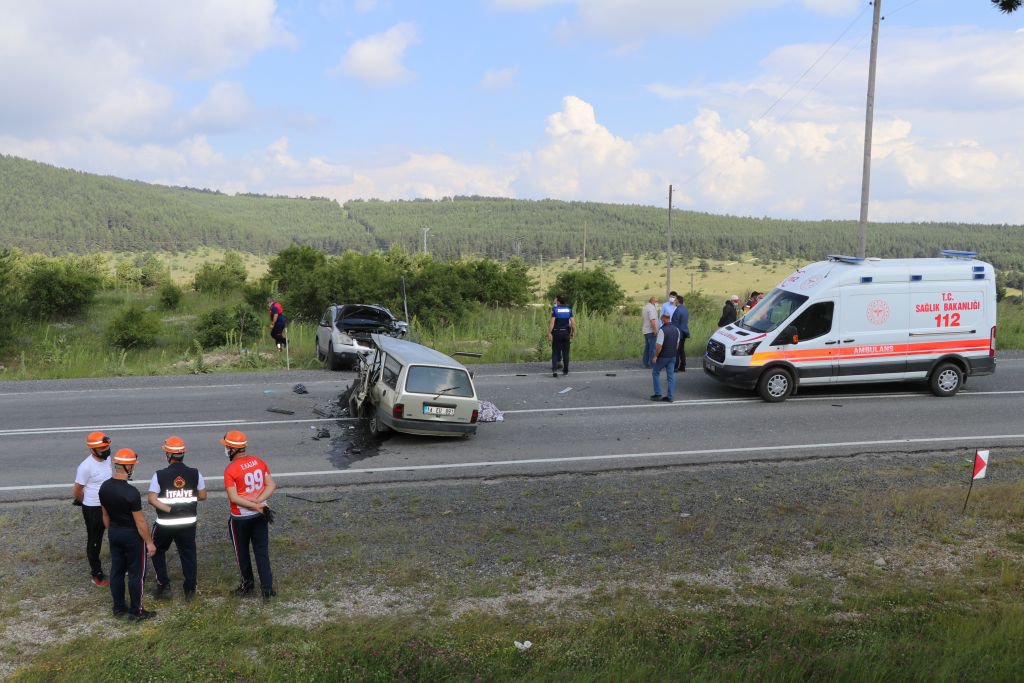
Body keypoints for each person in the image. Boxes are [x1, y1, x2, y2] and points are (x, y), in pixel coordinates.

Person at [99, 448, 157, 621]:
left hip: (114, 533)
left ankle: (118, 608)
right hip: (131, 536)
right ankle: (137, 610)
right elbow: (140, 522)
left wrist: (112, 531)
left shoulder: (104, 487)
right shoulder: (131, 492)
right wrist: (149, 542)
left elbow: (105, 515)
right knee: (135, 574)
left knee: (116, 571)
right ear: (128, 467)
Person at [148, 436, 207, 602]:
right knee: (188, 554)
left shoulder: (159, 475)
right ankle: (190, 590)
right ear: (183, 454)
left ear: (168, 454)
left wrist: (170, 509)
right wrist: (186, 496)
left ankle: (164, 586)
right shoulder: (195, 473)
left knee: (158, 551)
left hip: (165, 523)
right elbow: (202, 496)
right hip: (188, 522)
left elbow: (152, 499)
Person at [222, 430, 277, 601]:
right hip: (261, 515)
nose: (225, 450)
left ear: (232, 449)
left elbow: (234, 498)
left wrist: (253, 505)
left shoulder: (231, 469)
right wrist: (259, 502)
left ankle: (247, 585)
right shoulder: (258, 462)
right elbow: (271, 485)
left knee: (242, 553)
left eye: (226, 447)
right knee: (261, 552)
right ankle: (267, 589)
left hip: (240, 519)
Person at [73, 431, 113, 587]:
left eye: (107, 447)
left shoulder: (107, 458)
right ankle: (96, 574)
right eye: (102, 449)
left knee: (118, 533)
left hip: (110, 504)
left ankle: (123, 566)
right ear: (93, 450)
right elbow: (77, 490)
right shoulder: (85, 467)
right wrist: (87, 502)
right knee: (95, 540)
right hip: (94, 509)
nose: (106, 451)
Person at [650, 312, 681, 403]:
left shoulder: (662, 330)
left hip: (663, 357)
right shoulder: (677, 330)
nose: (661, 319)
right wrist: (673, 353)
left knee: (655, 372)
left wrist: (655, 356)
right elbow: (677, 344)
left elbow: (659, 346)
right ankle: (670, 396)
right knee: (671, 376)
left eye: (661, 318)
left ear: (664, 318)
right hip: (672, 356)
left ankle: (658, 394)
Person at [547, 295, 576, 377]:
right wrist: (574, 331)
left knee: (555, 352)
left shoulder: (555, 310)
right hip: (566, 333)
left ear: (558, 302)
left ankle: (555, 370)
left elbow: (552, 323)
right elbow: (573, 323)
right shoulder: (569, 310)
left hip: (557, 333)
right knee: (566, 352)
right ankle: (566, 370)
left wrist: (549, 333)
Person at [671, 295, 690, 372]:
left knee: (676, 350)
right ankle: (683, 366)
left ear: (678, 301)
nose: (674, 301)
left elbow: (674, 323)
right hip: (684, 331)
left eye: (675, 300)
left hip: (678, 333)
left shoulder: (678, 310)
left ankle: (675, 367)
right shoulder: (685, 309)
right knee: (681, 350)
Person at [641, 296, 659, 368]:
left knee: (647, 348)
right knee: (652, 348)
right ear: (653, 301)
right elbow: (652, 320)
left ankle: (645, 363)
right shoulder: (651, 308)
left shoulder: (645, 307)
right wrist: (655, 330)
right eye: (656, 301)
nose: (657, 303)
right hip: (651, 331)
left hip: (646, 330)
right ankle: (652, 364)